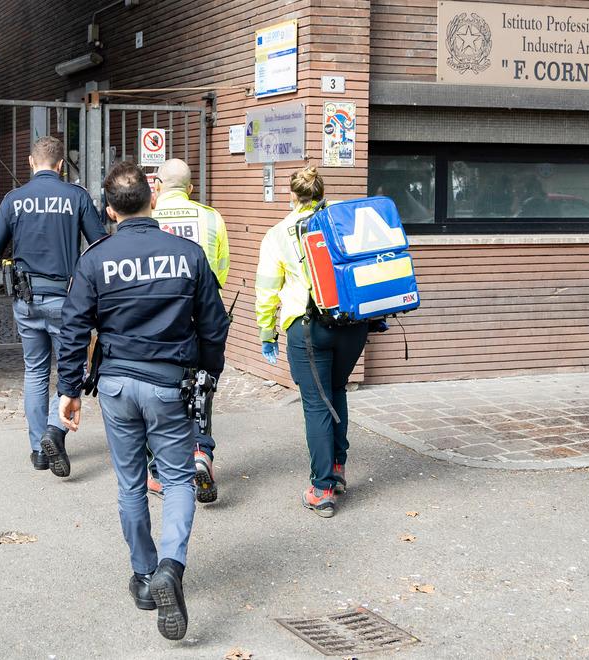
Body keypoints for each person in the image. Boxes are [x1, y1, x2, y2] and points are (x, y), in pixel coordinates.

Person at [56, 162, 229, 640]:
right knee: (175, 479)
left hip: (114, 385)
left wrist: (69, 391)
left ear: (110, 210)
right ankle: (171, 567)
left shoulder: (96, 260)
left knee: (131, 484)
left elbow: (73, 331)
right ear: (151, 200)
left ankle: (143, 576)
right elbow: (214, 324)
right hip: (168, 383)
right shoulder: (188, 254)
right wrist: (208, 373)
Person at [0, 136, 107, 476]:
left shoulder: (14, 200)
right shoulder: (77, 197)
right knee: (74, 368)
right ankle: (54, 435)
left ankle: (39, 448)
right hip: (69, 302)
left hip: (26, 301)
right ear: (61, 165)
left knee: (35, 371)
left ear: (30, 162)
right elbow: (100, 247)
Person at [254, 166, 369, 518]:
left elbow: (267, 291)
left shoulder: (278, 234)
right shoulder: (345, 220)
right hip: (353, 325)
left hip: (308, 330)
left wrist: (266, 333)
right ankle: (337, 467)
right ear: (322, 193)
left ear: (292, 195)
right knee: (337, 390)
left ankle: (321, 489)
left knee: (317, 404)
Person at [149, 158, 230, 503]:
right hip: (200, 318)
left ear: (157, 186)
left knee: (158, 393)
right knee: (200, 390)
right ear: (191, 188)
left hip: (158, 321)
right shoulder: (211, 217)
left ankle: (159, 471)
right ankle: (201, 453)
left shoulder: (147, 220)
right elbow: (221, 271)